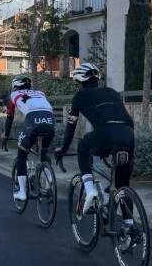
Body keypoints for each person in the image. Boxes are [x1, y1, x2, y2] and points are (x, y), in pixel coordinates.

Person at [55, 62, 135, 214]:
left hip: (105, 132)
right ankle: (129, 227)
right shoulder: (112, 92)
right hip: (128, 134)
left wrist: (63, 149)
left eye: (76, 84)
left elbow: (71, 126)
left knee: (83, 147)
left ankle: (90, 189)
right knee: (122, 186)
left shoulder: (79, 96)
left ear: (79, 82)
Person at [2, 74, 55, 201]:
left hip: (33, 120)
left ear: (15, 87)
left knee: (22, 155)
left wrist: (6, 135)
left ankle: (22, 192)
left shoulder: (12, 96)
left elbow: (10, 117)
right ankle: (48, 185)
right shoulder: (40, 93)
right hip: (50, 120)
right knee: (43, 152)